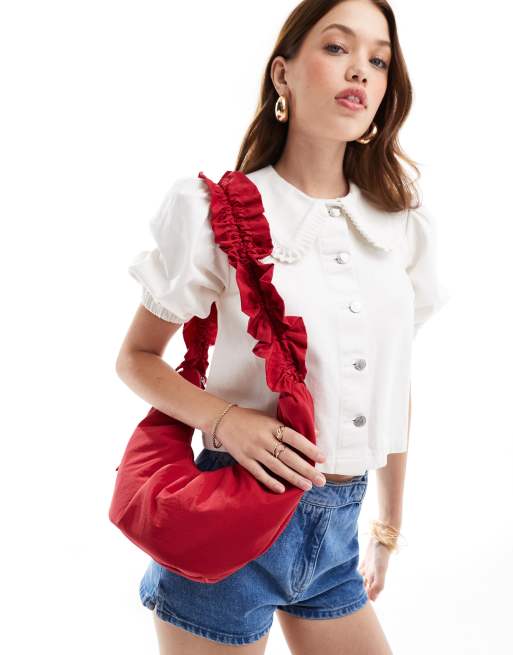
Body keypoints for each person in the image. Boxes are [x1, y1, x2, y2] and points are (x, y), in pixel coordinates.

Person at [115, 0, 450, 653]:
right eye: (337, 47)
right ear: (282, 73)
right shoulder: (215, 209)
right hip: (228, 522)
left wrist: (387, 525)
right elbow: (136, 357)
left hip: (336, 536)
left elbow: (394, 382)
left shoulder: (400, 225)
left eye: (379, 60)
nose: (360, 70)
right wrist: (228, 421)